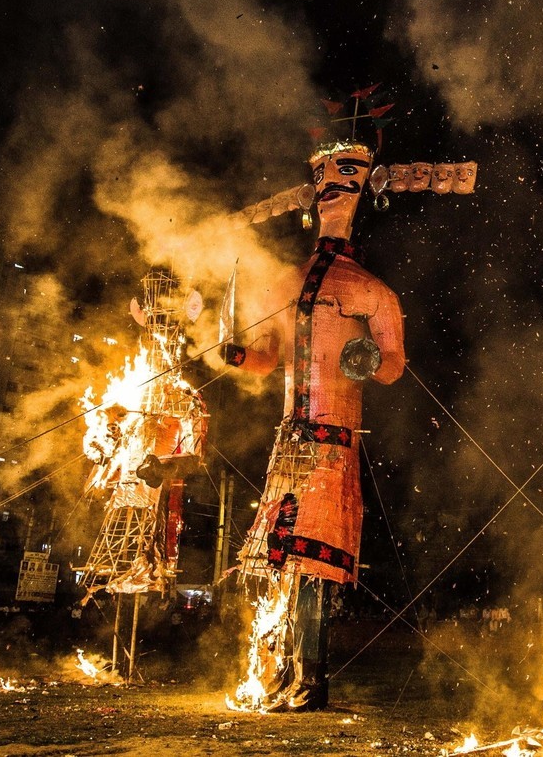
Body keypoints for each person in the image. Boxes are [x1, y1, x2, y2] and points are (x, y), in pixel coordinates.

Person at [224, 133, 406, 712]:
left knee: (313, 566)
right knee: (279, 559)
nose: (334, 194)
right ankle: (279, 672)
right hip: (291, 440)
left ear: (363, 191)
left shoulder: (372, 292)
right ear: (312, 193)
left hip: (333, 440)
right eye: (328, 180)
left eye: (347, 180)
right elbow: (266, 357)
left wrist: (370, 361)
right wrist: (234, 355)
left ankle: (311, 676)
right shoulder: (286, 284)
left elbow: (394, 365)